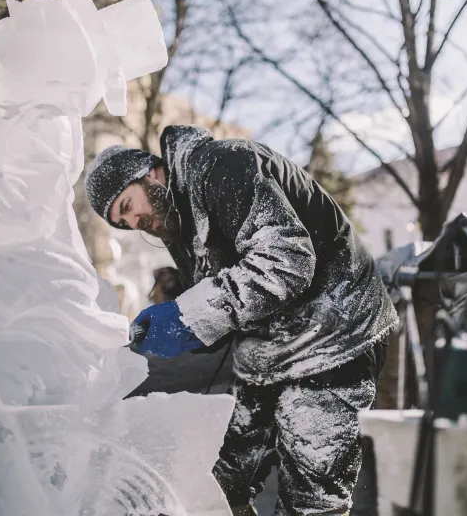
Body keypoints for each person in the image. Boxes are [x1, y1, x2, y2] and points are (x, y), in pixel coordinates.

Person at [84, 125, 397, 515]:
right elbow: (230, 299)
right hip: (267, 349)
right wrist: (178, 317)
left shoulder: (223, 165)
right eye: (123, 223)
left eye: (128, 206)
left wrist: (186, 317)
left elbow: (285, 261)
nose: (135, 222)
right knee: (218, 480)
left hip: (333, 335)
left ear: (148, 174)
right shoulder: (182, 223)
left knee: (310, 499)